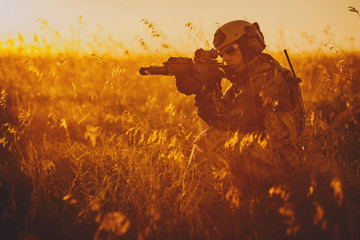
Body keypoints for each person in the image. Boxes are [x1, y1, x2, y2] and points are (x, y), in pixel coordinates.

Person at [176, 20, 305, 238]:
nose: (225, 57)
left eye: (230, 50)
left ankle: (194, 217)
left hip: (282, 162)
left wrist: (203, 90)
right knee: (215, 139)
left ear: (249, 46)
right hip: (265, 154)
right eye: (220, 53)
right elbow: (225, 115)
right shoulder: (249, 76)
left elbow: (227, 123)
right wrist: (206, 85)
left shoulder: (266, 78)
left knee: (207, 141)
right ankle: (214, 211)